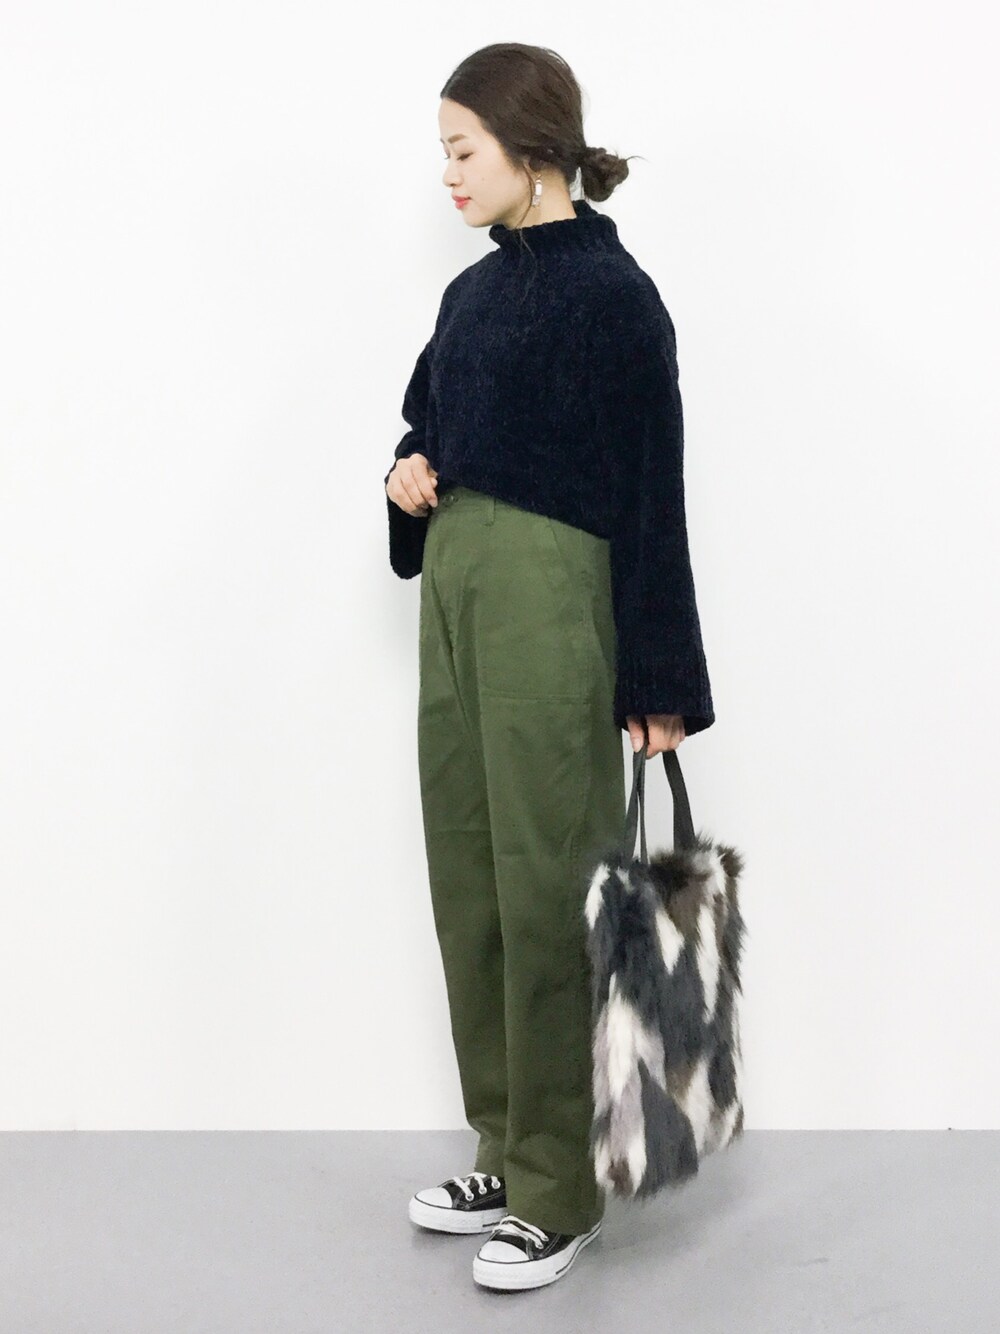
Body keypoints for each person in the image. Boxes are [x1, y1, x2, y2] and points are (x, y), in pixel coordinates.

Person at [384, 43, 715, 1291]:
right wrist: (405, 476)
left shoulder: (615, 299)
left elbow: (651, 493)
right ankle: (506, 1144)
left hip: (547, 604)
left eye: (462, 150)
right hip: (457, 594)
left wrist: (659, 681)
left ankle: (559, 1186)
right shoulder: (470, 297)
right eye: (444, 154)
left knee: (545, 886)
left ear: (532, 147)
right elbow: (425, 428)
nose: (449, 176)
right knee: (470, 874)